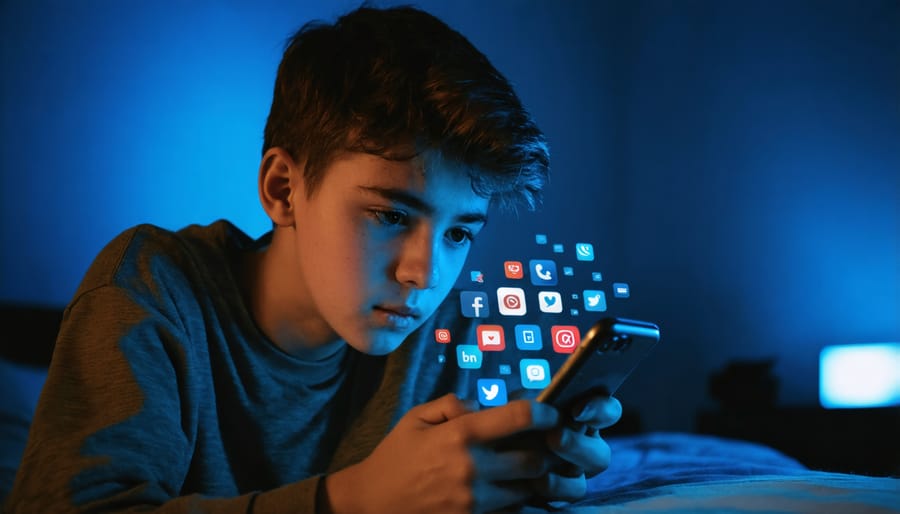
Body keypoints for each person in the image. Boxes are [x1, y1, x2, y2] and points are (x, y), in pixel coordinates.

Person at [5, 5, 622, 513]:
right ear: (282, 189)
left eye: (460, 235)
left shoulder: (445, 333)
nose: (425, 275)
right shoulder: (152, 288)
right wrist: (349, 501)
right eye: (391, 216)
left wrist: (529, 476)